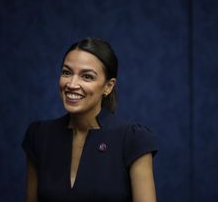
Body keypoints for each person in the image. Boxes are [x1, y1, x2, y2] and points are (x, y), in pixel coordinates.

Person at [22, 38, 158, 202]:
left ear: (108, 86)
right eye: (67, 72)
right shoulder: (39, 136)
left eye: (87, 76)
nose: (72, 84)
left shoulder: (132, 138)